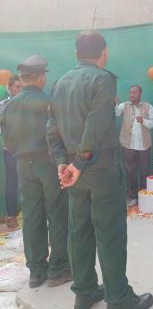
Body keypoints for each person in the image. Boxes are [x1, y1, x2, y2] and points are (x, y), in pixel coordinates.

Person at [47, 32, 153, 309]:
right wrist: (79, 164)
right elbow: (94, 128)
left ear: (75, 54)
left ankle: (85, 292)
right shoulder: (103, 79)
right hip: (100, 168)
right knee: (110, 231)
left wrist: (63, 162)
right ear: (104, 53)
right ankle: (118, 298)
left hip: (74, 170)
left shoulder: (59, 82)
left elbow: (52, 127)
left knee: (79, 230)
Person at [0, 55, 71, 288]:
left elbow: (7, 141)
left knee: (31, 216)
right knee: (57, 213)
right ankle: (59, 268)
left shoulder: (9, 104)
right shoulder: (49, 101)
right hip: (49, 164)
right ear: (41, 78)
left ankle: (36, 271)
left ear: (22, 78)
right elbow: (61, 135)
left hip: (23, 164)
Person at [116, 85, 153, 207]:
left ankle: (144, 195)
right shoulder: (124, 105)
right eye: (130, 92)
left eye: (134, 92)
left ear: (140, 94)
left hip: (144, 145)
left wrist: (143, 120)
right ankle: (133, 197)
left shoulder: (148, 106)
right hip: (128, 144)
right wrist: (115, 104)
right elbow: (116, 113)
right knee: (130, 171)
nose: (131, 95)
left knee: (145, 171)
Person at [0, 75, 22, 230]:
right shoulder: (3, 105)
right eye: (17, 86)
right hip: (12, 151)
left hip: (31, 151)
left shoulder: (31, 103)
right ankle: (12, 216)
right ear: (9, 87)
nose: (20, 89)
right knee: (12, 183)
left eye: (22, 86)